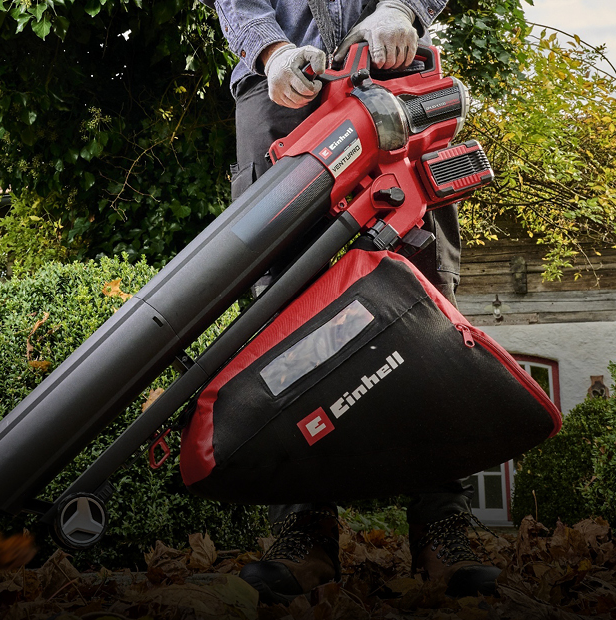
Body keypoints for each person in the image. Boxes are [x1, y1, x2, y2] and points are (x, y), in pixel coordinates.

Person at [208, 0, 499, 604]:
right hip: (281, 89)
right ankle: (303, 527)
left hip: (395, 69)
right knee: (282, 307)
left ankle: (442, 524)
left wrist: (403, 8)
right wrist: (271, 51)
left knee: (424, 295)